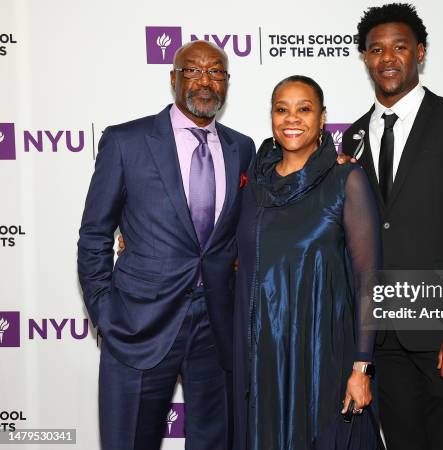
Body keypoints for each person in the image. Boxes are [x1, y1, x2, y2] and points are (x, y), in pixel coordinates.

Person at [341, 4, 443, 450]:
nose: (387, 58)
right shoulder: (352, 137)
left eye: (399, 47)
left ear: (420, 52)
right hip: (382, 334)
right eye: (376, 49)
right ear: (365, 59)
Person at [77, 40, 255, 450]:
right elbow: (94, 235)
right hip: (139, 322)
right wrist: (105, 310)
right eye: (193, 70)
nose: (205, 81)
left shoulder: (241, 147)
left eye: (216, 72)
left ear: (227, 83)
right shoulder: (127, 141)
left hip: (217, 327)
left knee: (218, 441)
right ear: (174, 78)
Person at [232, 75, 381, 450]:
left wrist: (362, 366)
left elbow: (368, 279)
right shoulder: (252, 185)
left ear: (323, 118)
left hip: (323, 358)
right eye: (282, 109)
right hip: (262, 360)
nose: (291, 119)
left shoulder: (346, 179)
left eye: (304, 109)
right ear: (271, 117)